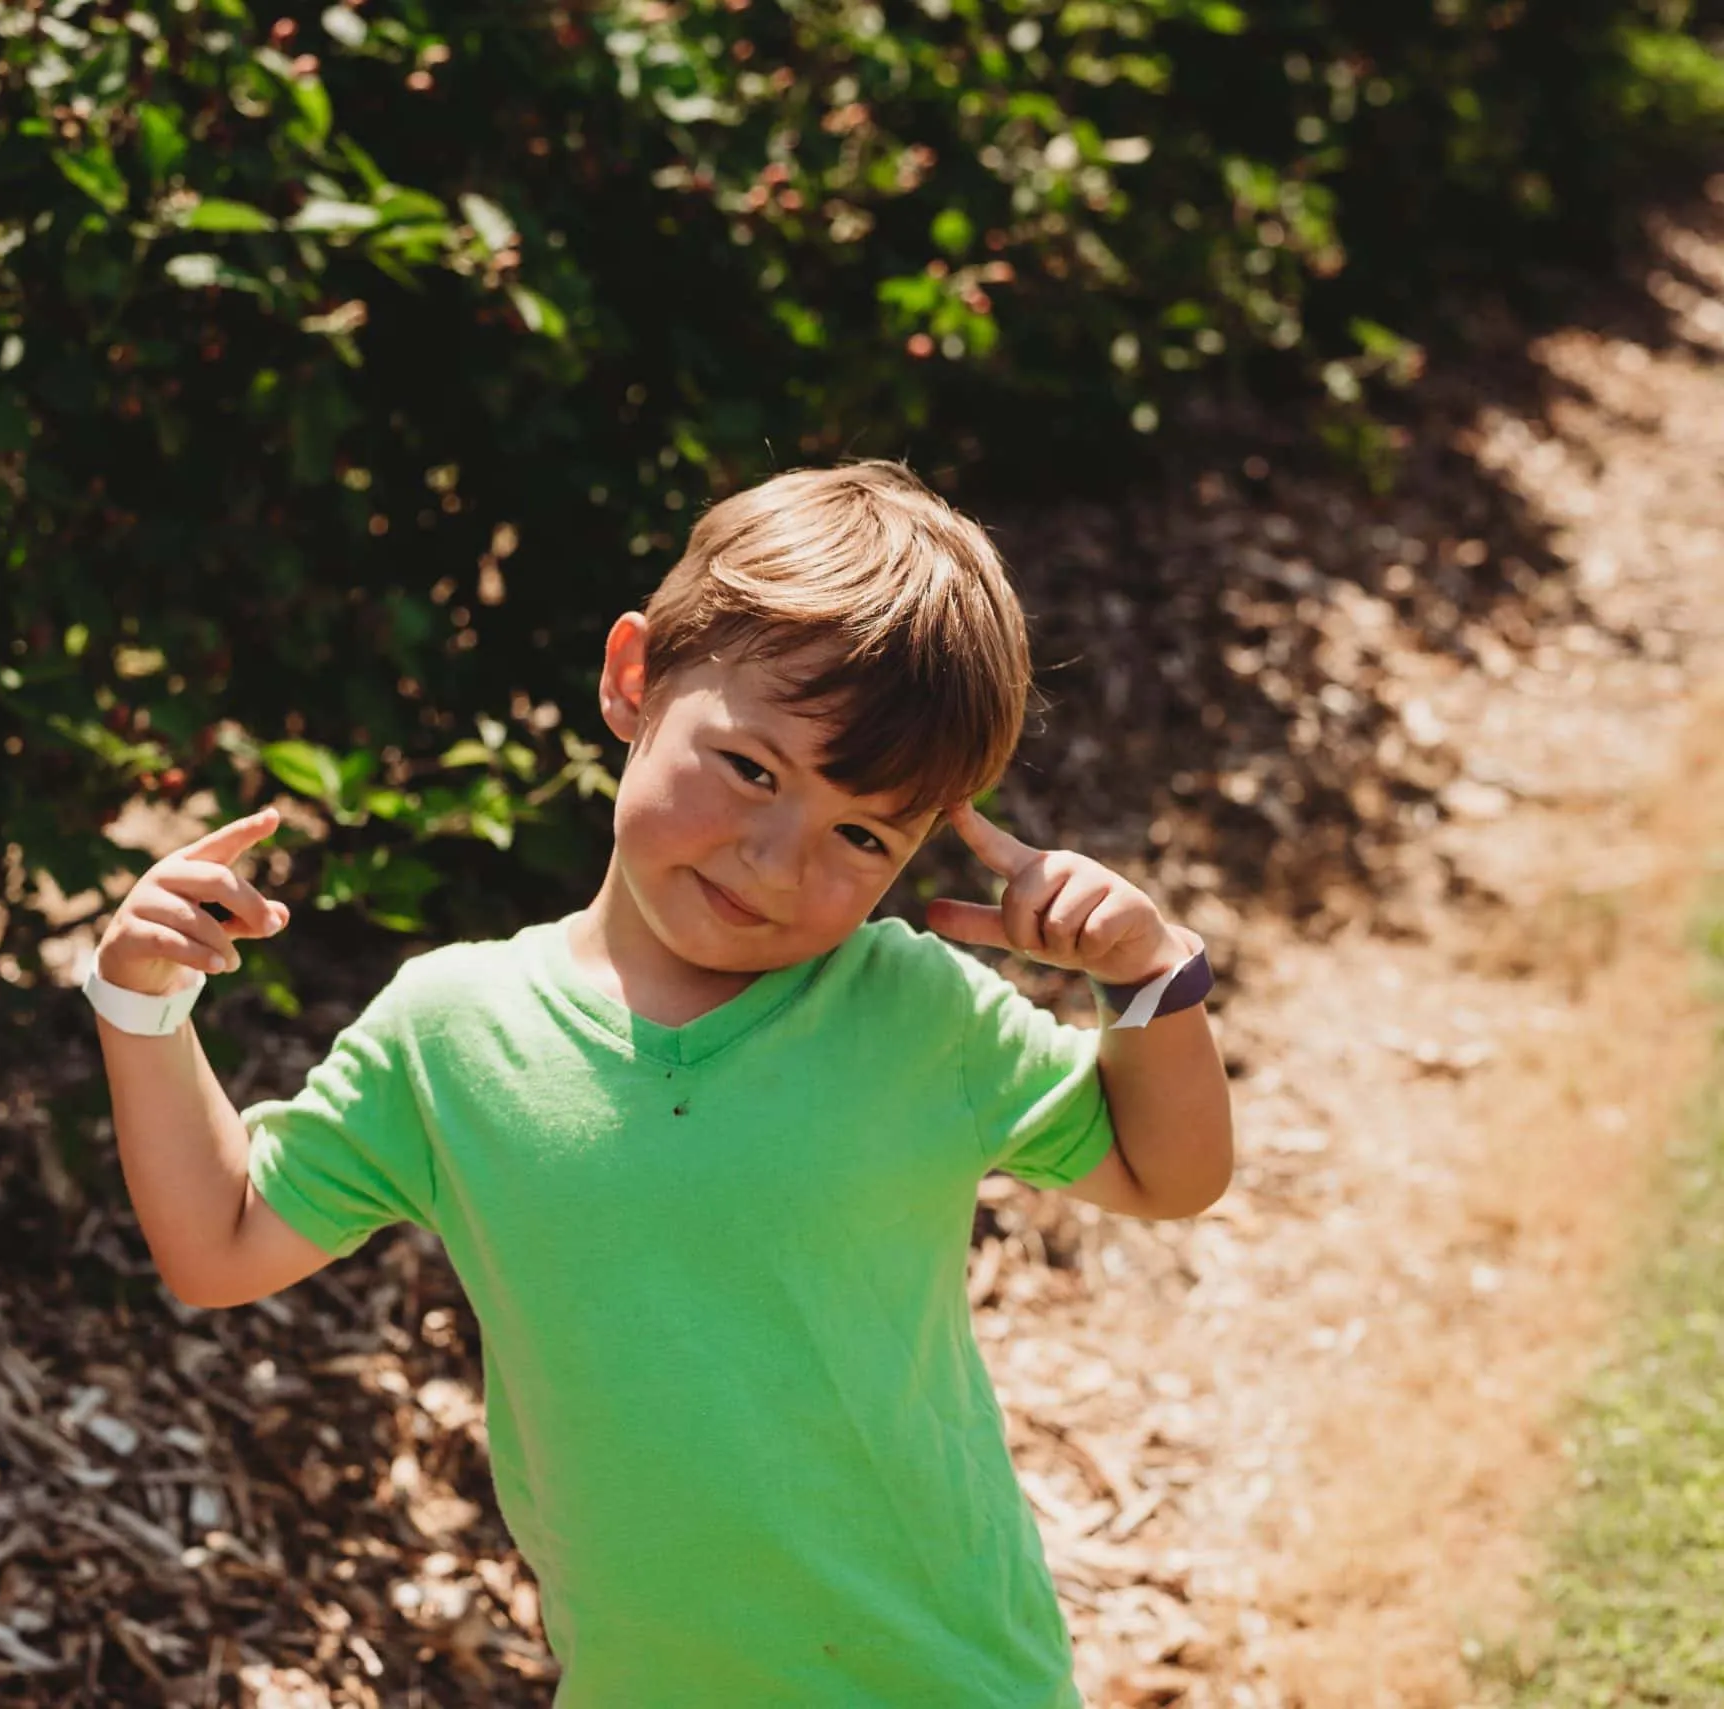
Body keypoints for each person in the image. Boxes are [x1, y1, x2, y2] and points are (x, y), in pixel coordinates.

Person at [85, 459, 1235, 1706]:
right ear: (634, 679)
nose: (776, 858)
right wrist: (140, 1005)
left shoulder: (913, 1012)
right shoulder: (454, 1033)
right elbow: (221, 1244)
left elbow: (1168, 1174)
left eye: (862, 834)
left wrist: (1150, 978)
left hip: (947, 1673)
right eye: (752, 768)